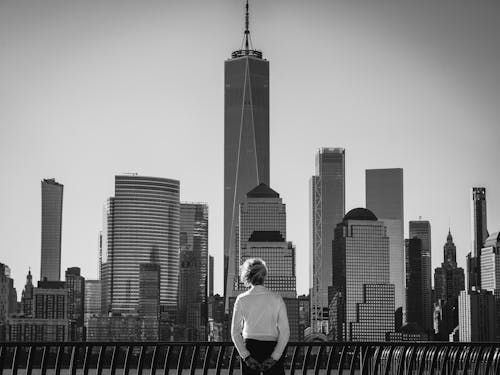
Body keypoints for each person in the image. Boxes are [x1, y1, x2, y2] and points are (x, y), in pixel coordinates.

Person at [231, 258, 290, 375]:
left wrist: (246, 356)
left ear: (248, 276)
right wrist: (275, 357)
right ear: (264, 276)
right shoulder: (276, 298)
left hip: (250, 347)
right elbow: (285, 332)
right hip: (272, 347)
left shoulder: (242, 299)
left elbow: (235, 332)